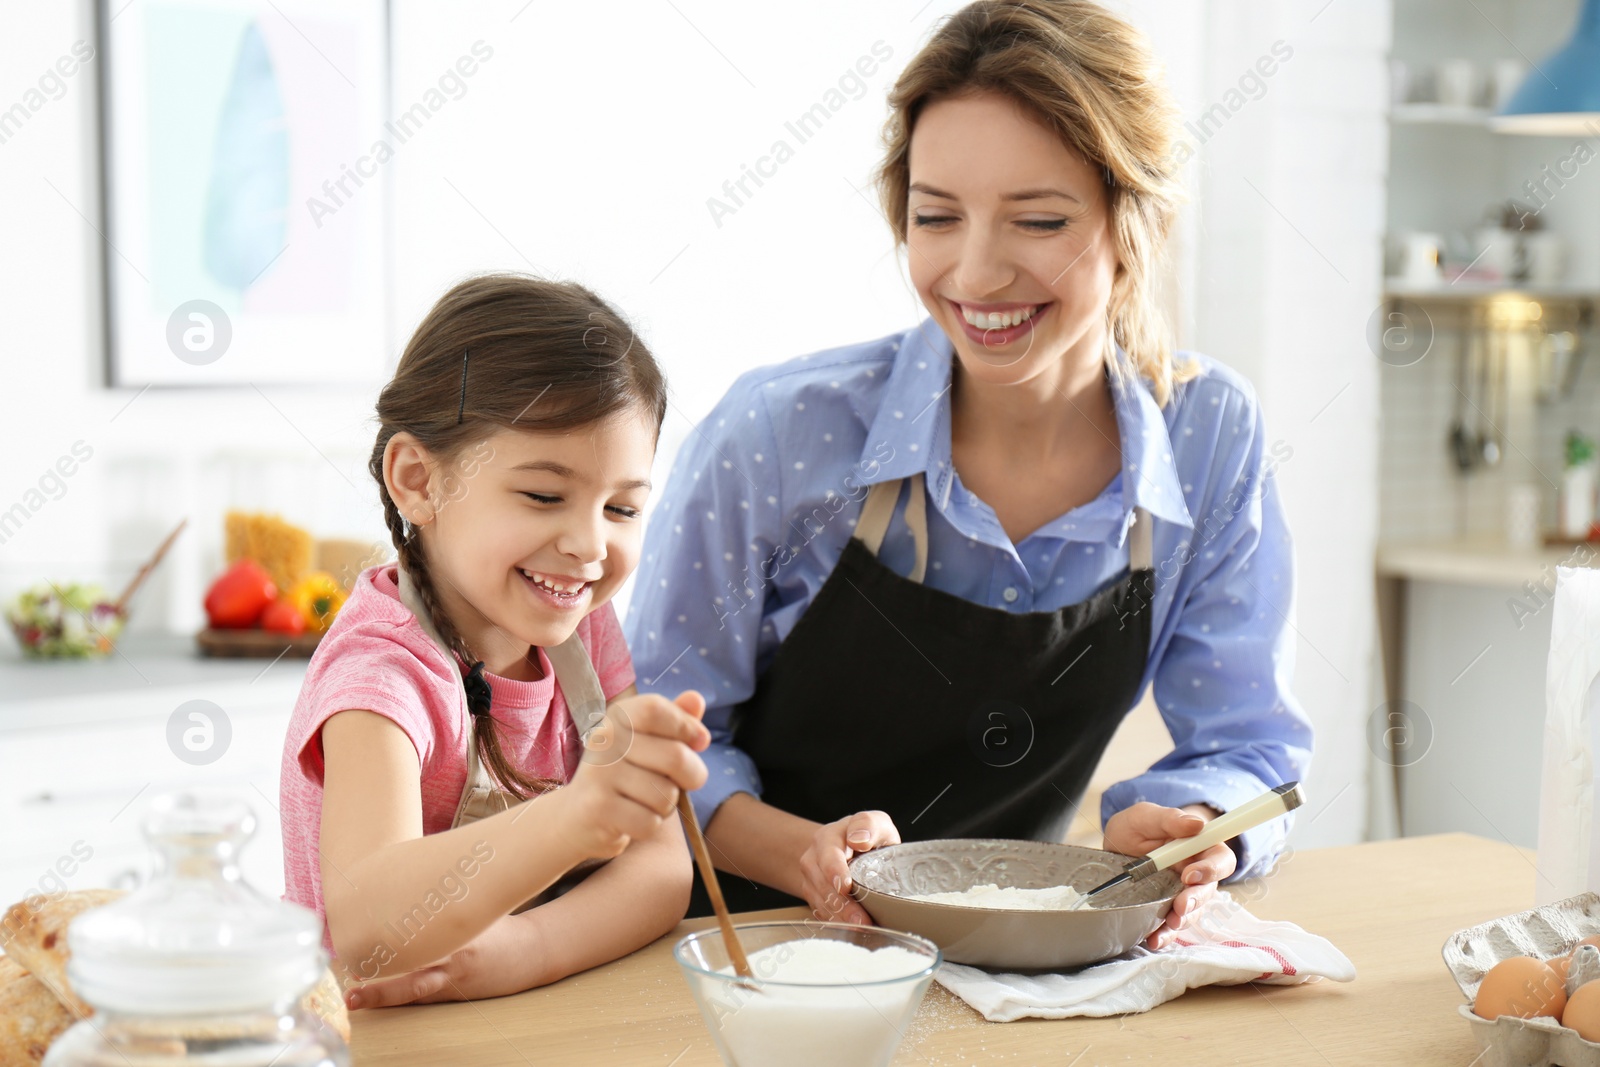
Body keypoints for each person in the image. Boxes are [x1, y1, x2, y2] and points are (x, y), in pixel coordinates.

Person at [625, 0, 1313, 950]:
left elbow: (1250, 747)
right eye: (936, 217)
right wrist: (804, 856)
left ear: (1132, 221)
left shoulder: (1209, 435)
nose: (977, 273)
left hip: (1011, 963)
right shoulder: (778, 433)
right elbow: (646, 752)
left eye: (1037, 220)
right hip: (741, 947)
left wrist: (1197, 827)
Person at [279, 274, 710, 1008]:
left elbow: (664, 872)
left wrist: (525, 949)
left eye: (621, 507)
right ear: (418, 480)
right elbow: (367, 927)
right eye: (544, 495)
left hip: (523, 1013)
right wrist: (578, 817)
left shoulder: (583, 633)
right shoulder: (382, 673)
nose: (588, 544)